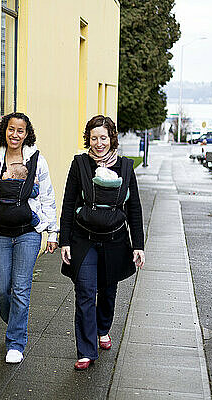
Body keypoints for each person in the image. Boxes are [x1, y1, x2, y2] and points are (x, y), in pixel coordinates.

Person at [0, 112, 59, 364]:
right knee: (1, 288)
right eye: (11, 129)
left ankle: (15, 342)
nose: (15, 135)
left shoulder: (37, 160)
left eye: (20, 130)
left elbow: (48, 197)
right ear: (4, 131)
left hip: (28, 233)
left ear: (27, 133)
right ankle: (15, 320)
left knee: (21, 289)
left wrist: (53, 231)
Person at [59, 115, 145, 370]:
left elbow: (135, 209)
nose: (99, 143)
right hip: (83, 238)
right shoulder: (80, 165)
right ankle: (86, 350)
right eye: (94, 138)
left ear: (112, 139)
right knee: (85, 292)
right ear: (89, 138)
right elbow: (68, 203)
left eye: (103, 138)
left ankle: (103, 327)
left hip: (115, 240)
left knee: (108, 290)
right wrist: (65, 240)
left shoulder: (126, 167)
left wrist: (138, 245)